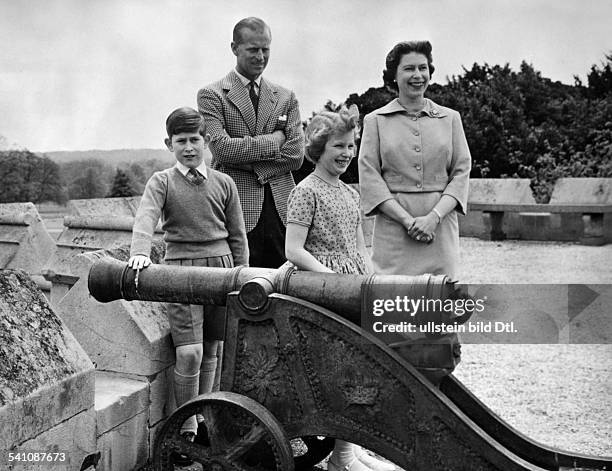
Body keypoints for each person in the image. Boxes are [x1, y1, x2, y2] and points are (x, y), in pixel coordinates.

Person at [128, 107, 248, 464]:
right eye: (181, 141)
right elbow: (146, 216)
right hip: (180, 271)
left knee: (212, 349)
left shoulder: (224, 183)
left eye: (195, 139)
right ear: (169, 144)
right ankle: (187, 424)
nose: (189, 147)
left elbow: (238, 236)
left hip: (223, 270)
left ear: (206, 141)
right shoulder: (162, 181)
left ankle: (206, 416)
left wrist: (243, 276)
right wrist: (139, 252)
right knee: (190, 352)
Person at [286, 105, 393, 471]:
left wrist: (369, 276)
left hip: (351, 284)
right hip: (322, 288)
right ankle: (342, 457)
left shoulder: (349, 194)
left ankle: (350, 449)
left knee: (361, 366)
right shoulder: (306, 191)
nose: (347, 153)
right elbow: (293, 249)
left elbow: (360, 245)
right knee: (341, 370)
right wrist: (328, 278)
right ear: (319, 149)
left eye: (351, 146)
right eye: (339, 147)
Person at [197, 17, 304, 269]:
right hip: (236, 209)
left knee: (284, 287)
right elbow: (221, 149)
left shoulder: (285, 97)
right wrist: (276, 140)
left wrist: (253, 166)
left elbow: (296, 155)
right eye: (252, 49)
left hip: (282, 212)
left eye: (265, 49)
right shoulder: (211, 95)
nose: (260, 56)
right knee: (240, 287)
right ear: (234, 48)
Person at [358, 41, 471, 280]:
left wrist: (434, 218)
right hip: (394, 231)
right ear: (394, 76)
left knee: (440, 303)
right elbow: (369, 176)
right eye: (409, 69)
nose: (418, 75)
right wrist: (407, 221)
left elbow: (461, 172)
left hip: (440, 230)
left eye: (423, 68)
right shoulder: (374, 121)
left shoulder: (451, 119)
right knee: (393, 302)